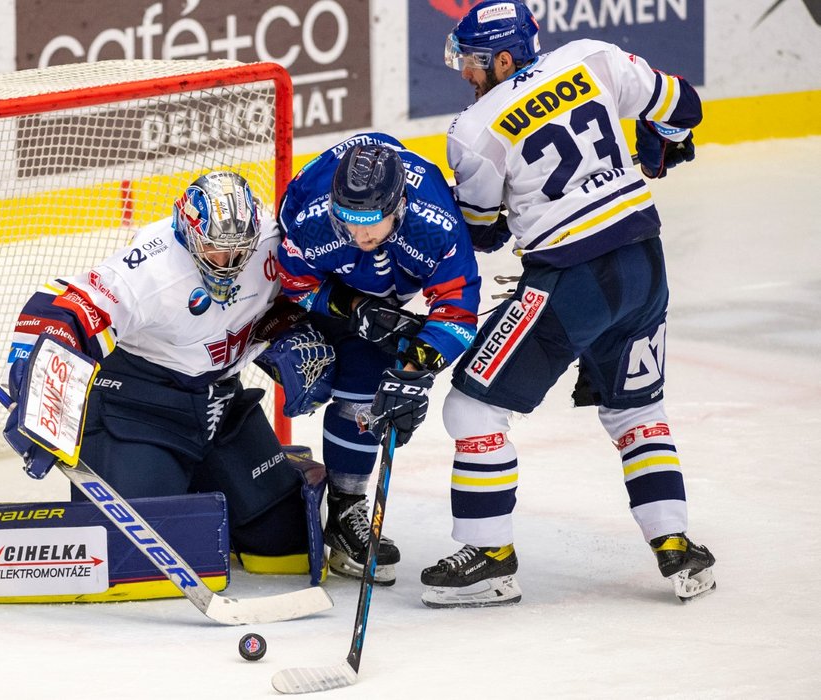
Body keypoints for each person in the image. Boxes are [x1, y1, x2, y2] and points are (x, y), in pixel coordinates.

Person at [422, 0, 715, 607]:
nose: (466, 75)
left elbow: (484, 233)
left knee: (472, 409)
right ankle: (678, 549)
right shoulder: (593, 58)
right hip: (645, 264)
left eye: (474, 64)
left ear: (504, 59)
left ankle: (490, 559)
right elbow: (684, 106)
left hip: (569, 282)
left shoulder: (475, 131)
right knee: (636, 411)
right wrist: (663, 140)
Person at [3, 170, 335, 578]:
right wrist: (39, 398)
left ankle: (232, 479)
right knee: (133, 557)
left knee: (286, 545)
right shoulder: (152, 266)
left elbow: (303, 295)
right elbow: (58, 312)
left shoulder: (272, 243)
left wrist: (287, 329)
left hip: (221, 406)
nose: (228, 263)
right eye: (215, 248)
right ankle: (171, 478)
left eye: (239, 251)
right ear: (190, 232)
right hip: (141, 409)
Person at [276, 133, 482, 585]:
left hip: (394, 283)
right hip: (334, 289)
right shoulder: (311, 219)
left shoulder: (434, 223)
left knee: (383, 383)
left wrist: (414, 374)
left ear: (398, 206)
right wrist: (353, 309)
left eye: (371, 223)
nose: (360, 235)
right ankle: (344, 512)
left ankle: (345, 509)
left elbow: (458, 306)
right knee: (350, 379)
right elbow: (293, 283)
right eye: (348, 222)